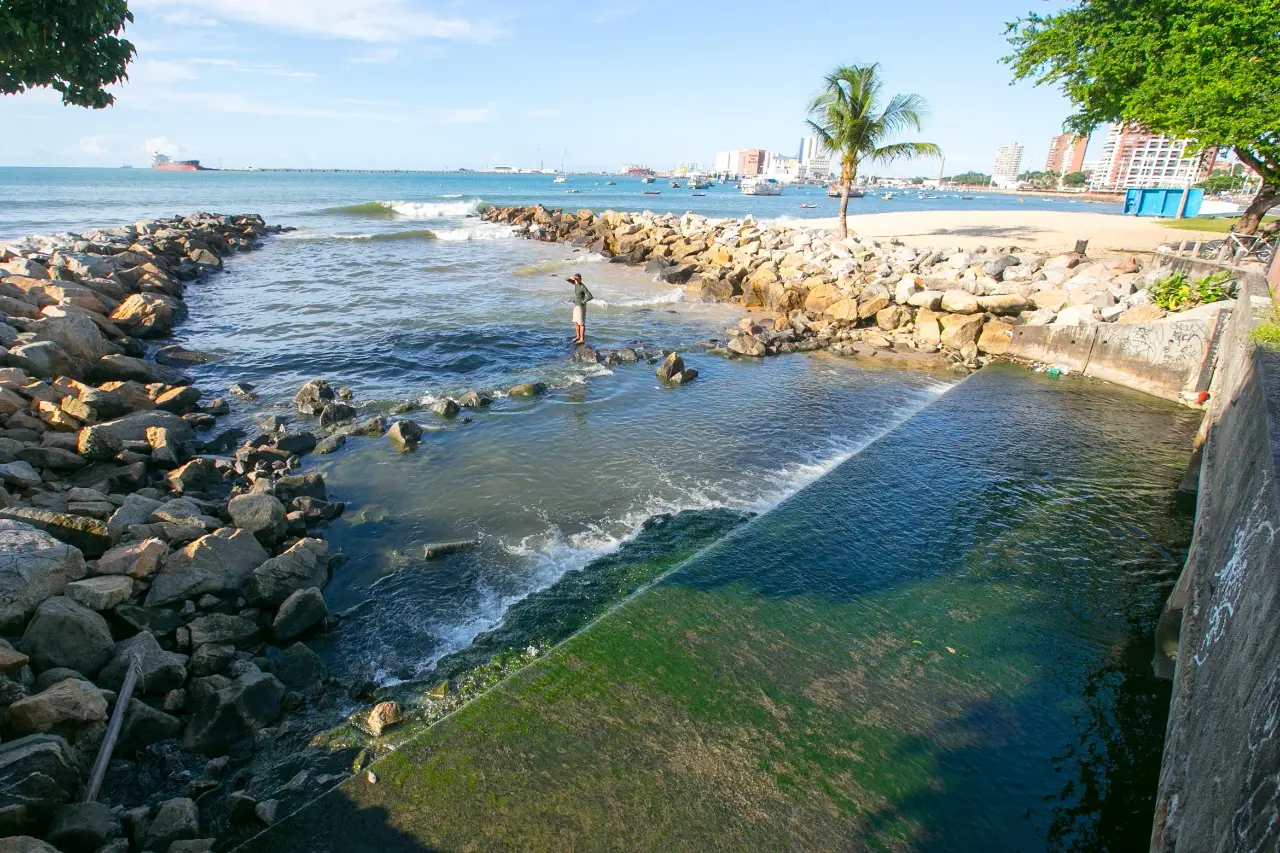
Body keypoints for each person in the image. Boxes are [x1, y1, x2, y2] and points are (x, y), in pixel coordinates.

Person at [567, 273, 593, 345]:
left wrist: (582, 302)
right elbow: (566, 279)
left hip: (580, 307)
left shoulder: (582, 286)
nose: (577, 280)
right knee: (576, 322)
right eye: (576, 279)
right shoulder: (576, 284)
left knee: (581, 323)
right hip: (576, 306)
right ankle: (578, 336)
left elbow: (590, 296)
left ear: (581, 279)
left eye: (578, 279)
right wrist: (572, 277)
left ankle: (582, 339)